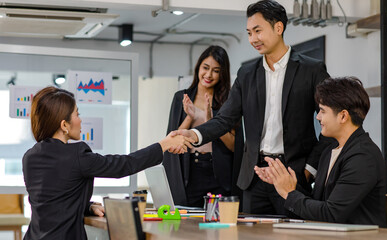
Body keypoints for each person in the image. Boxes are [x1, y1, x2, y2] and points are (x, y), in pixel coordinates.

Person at [171, 0, 330, 214]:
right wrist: (193, 134)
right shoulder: (246, 74)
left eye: (257, 31)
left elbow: (333, 120)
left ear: (278, 28)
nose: (252, 39)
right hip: (254, 178)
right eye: (248, 33)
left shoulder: (312, 70)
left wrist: (309, 169)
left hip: (291, 176)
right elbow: (224, 119)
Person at [23, 86, 193, 240]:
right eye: (77, 114)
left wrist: (88, 207)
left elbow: (52, 201)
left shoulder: (30, 157)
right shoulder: (76, 154)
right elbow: (123, 165)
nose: (81, 120)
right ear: (64, 124)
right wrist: (163, 145)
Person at [255, 77, 387, 226]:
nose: (318, 117)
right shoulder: (329, 152)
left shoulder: (363, 156)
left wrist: (290, 193)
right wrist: (284, 183)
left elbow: (330, 214)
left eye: (323, 111)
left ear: (343, 116)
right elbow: (318, 205)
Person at [163, 45, 244, 207]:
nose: (208, 75)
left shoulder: (229, 102)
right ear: (198, 67)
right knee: (189, 225)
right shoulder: (181, 97)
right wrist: (190, 117)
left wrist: (211, 122)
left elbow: (235, 146)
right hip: (190, 172)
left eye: (216, 70)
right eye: (205, 68)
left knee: (220, 227)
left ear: (222, 73)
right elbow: (172, 141)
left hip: (219, 173)